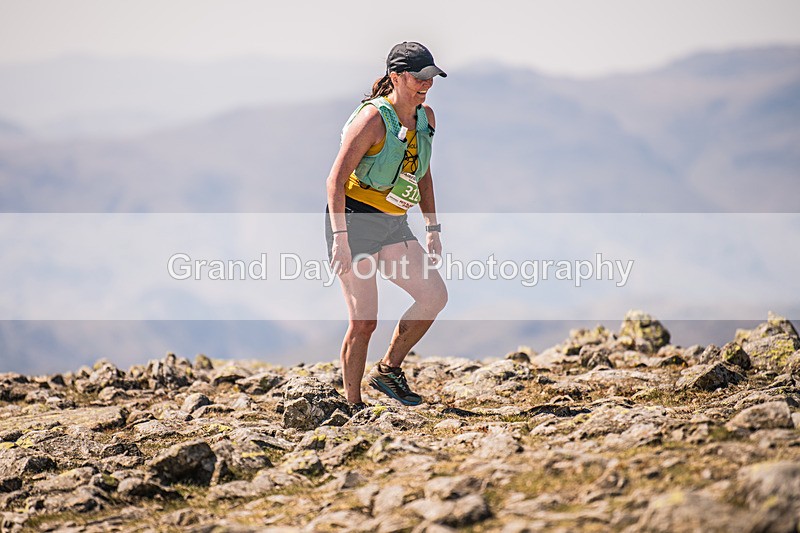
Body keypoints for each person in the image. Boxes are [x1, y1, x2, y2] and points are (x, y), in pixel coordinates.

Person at [325, 42, 448, 409]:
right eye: (418, 77)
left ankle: (388, 370)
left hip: (393, 221)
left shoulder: (427, 119)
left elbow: (422, 175)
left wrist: (432, 228)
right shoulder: (373, 120)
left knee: (433, 297)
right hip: (354, 220)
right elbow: (335, 180)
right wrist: (341, 240)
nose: (426, 84)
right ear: (396, 77)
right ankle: (353, 405)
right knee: (364, 322)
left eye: (431, 77)